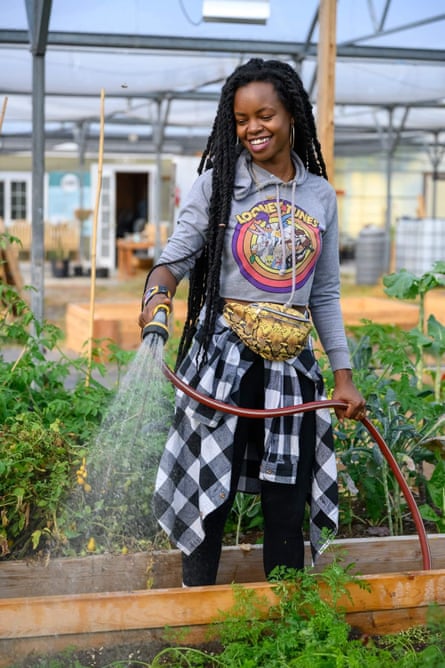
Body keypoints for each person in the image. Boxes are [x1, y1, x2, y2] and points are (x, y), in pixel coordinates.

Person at [138, 58, 366, 587]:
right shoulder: (218, 186)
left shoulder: (319, 196)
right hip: (223, 363)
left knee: (286, 495)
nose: (252, 129)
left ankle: (286, 621)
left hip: (291, 368)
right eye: (242, 120)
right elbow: (174, 261)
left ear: (292, 115)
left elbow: (326, 292)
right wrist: (157, 296)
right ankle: (197, 605)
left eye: (264, 115)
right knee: (209, 487)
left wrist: (343, 374)